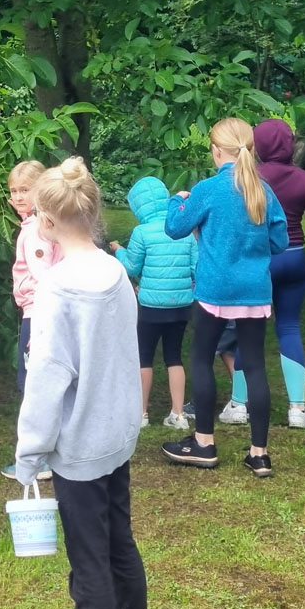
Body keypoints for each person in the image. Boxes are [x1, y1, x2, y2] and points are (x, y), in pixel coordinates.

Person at [15, 158, 152, 609]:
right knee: (119, 542)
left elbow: (47, 378)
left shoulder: (57, 288)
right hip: (117, 434)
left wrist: (29, 452)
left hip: (79, 446)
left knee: (90, 558)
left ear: (46, 221)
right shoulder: (116, 271)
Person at [161, 118, 288, 477]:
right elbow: (279, 242)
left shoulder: (208, 189)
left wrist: (176, 200)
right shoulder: (263, 191)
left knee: (202, 359)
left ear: (216, 151)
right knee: (256, 366)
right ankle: (259, 454)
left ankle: (204, 443)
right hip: (255, 292)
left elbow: (175, 227)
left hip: (214, 291)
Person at [220, 118, 305, 430]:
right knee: (289, 327)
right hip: (294, 258)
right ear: (290, 145)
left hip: (258, 260)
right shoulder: (304, 179)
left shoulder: (246, 177)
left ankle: (238, 405)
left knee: (248, 329)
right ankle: (298, 409)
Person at [109, 176, 198, 430]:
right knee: (174, 357)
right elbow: (196, 268)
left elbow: (131, 267)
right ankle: (178, 414)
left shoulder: (142, 232)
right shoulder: (184, 231)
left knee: (144, 357)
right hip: (181, 306)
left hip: (150, 307)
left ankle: (141, 414)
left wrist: (118, 250)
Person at [1, 159, 61, 481]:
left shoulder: (36, 230)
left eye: (26, 189)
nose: (18, 196)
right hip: (41, 313)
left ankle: (38, 460)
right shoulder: (42, 224)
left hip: (38, 315)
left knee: (32, 385)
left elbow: (43, 276)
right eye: (14, 191)